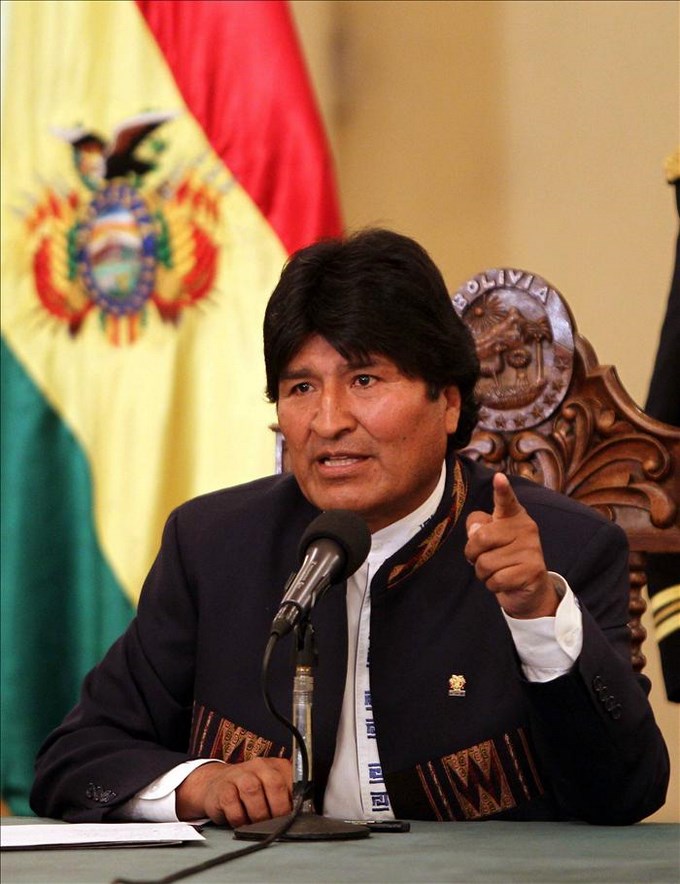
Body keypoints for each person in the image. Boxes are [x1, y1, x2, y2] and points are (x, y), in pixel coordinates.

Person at [31, 229, 669, 826]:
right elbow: (75, 758)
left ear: (448, 402)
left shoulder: (559, 549)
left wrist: (537, 611)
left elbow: (624, 793)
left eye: (364, 380)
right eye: (300, 387)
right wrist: (201, 784)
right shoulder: (212, 545)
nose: (328, 420)